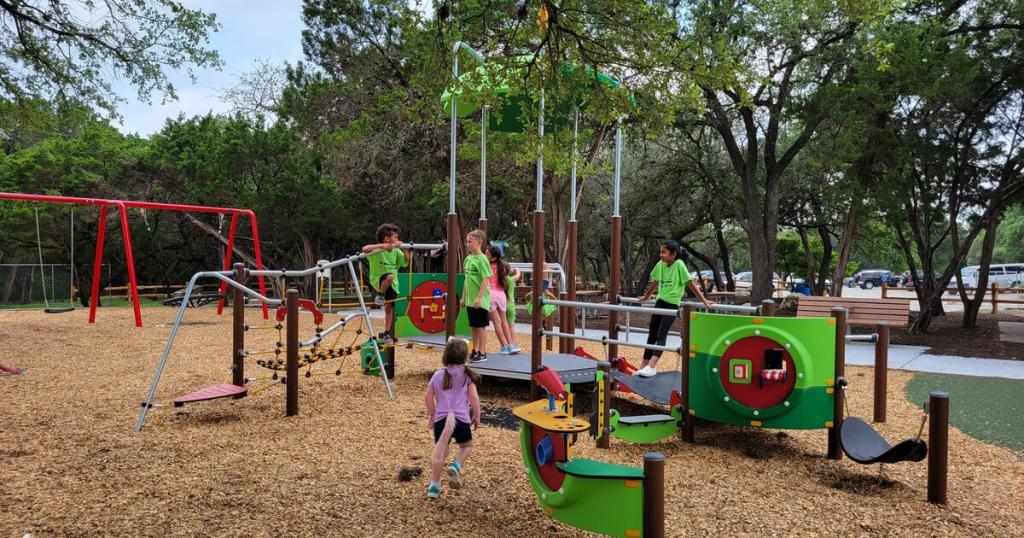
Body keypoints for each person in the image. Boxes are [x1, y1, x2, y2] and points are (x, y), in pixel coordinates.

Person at [634, 240, 714, 377]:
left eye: (664, 252)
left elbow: (691, 284)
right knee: (652, 334)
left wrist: (704, 300)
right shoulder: (660, 265)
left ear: (673, 254)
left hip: (672, 304)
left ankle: (652, 366)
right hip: (660, 302)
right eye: (660, 252)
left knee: (661, 334)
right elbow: (655, 282)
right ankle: (644, 365)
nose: (661, 255)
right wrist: (647, 296)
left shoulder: (679, 265)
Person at [424, 338, 481, 498]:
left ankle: (434, 486)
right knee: (466, 446)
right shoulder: (467, 376)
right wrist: (476, 415)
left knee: (441, 450)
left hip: (442, 420)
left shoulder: (438, 375)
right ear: (464, 357)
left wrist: (433, 414)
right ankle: (456, 465)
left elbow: (428, 397)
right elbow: (474, 397)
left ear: (446, 355)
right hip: (461, 419)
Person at [362, 223, 410, 343]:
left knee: (389, 308)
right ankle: (380, 295)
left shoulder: (396, 251)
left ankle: (387, 333)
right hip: (379, 280)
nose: (397, 240)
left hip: (393, 284)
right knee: (389, 276)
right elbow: (365, 249)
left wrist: (403, 248)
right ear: (387, 239)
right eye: (395, 237)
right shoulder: (378, 250)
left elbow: (407, 260)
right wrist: (383, 246)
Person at [461, 230, 492, 363]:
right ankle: (475, 350)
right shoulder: (468, 259)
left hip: (480, 300)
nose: (467, 244)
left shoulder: (482, 259)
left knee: (481, 326)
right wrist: (463, 297)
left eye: (470, 241)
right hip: (470, 300)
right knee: (473, 326)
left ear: (479, 242)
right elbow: (467, 280)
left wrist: (479, 297)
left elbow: (485, 279)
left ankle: (483, 352)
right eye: (467, 241)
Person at [487, 245, 520, 355]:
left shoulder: (487, 266)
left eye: (487, 254)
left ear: (493, 258)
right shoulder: (501, 267)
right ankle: (511, 345)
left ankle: (504, 346)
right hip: (501, 295)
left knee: (497, 322)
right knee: (504, 321)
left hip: (491, 294)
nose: (485, 255)